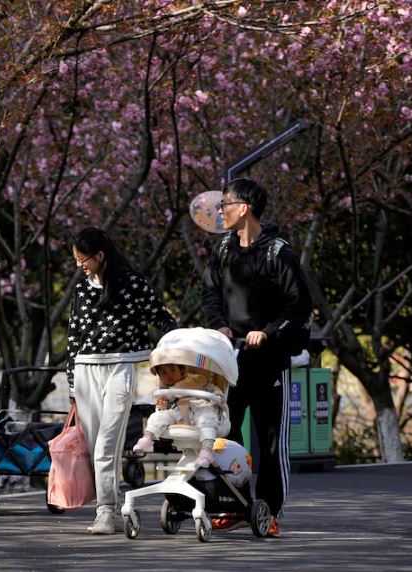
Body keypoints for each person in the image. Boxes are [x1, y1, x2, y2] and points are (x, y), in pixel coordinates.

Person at [201, 178, 312, 537]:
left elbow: (298, 306)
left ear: (244, 208)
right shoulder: (221, 250)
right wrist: (219, 326)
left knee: (269, 442)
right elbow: (210, 295)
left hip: (270, 362)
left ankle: (268, 509)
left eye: (225, 205)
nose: (221, 212)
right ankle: (233, 505)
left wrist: (267, 331)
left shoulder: (279, 253)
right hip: (229, 362)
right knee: (225, 436)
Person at [66, 227, 177, 535]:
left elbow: (162, 318)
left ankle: (103, 511)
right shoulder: (81, 289)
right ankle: (112, 509)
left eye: (82, 259)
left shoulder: (133, 284)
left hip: (122, 368)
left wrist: (176, 347)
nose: (80, 266)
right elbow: (73, 337)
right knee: (93, 447)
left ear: (100, 255)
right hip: (86, 370)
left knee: (106, 445)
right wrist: (72, 384)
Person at [131, 363, 227, 467]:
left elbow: (216, 391)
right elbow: (166, 406)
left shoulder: (200, 381)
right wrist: (164, 405)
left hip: (200, 410)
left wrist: (218, 397)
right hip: (179, 416)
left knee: (207, 416)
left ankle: (206, 451)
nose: (169, 375)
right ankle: (147, 438)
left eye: (172, 370)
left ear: (181, 370)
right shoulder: (169, 390)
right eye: (163, 372)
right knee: (157, 417)